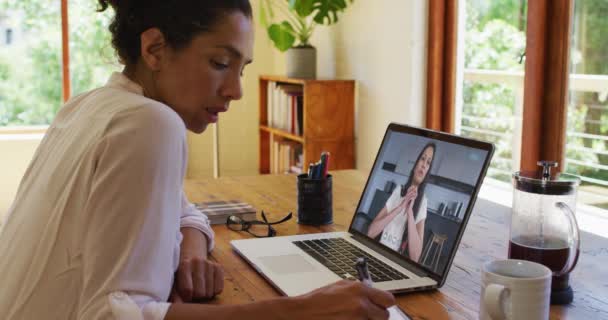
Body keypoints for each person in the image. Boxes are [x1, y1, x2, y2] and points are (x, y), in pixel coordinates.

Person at [0, 1, 395, 319]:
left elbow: (182, 208)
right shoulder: (150, 122)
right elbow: (111, 314)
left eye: (242, 69)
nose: (236, 91)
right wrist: (305, 309)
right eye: (221, 64)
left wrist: (190, 253)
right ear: (155, 48)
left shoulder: (90, 106)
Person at [367, 143, 436, 262]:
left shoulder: (423, 202)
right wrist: (399, 208)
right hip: (376, 255)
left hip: (395, 263)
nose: (424, 165)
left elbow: (415, 256)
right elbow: (370, 232)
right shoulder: (399, 190)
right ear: (415, 165)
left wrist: (409, 213)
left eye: (428, 162)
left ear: (427, 172)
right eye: (423, 158)